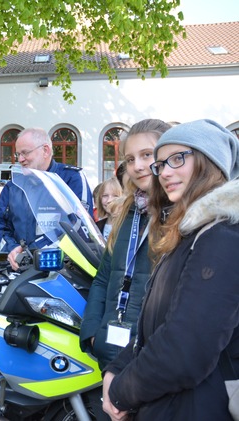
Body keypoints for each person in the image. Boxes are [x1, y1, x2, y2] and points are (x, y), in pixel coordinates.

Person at [102, 119, 239, 420]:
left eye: (178, 158)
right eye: (161, 164)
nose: (164, 172)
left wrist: (122, 391)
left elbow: (185, 351)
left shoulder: (222, 237)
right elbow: (157, 328)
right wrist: (116, 368)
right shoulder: (189, 232)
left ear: (209, 161)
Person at [79, 119, 170, 372]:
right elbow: (104, 278)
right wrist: (93, 333)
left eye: (146, 155)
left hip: (152, 358)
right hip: (111, 347)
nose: (138, 166)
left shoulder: (179, 217)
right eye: (130, 159)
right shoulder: (127, 212)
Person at [0, 127, 94, 270]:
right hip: (19, 270)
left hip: (64, 271)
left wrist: (34, 252)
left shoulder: (72, 178)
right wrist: (12, 249)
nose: (20, 159)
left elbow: (80, 226)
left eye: (25, 153)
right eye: (18, 154)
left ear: (45, 150)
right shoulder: (13, 186)